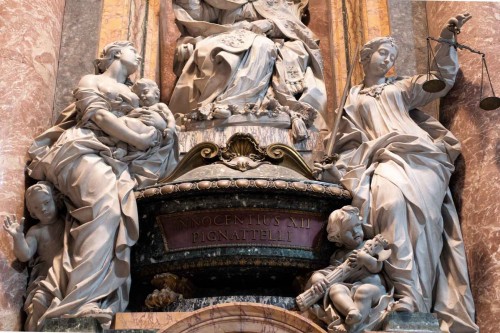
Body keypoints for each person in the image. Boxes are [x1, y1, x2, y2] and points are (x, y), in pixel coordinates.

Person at [313, 13, 478, 333]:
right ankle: (406, 296)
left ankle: (415, 303)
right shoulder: (351, 98)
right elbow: (345, 144)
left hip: (420, 159)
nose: (388, 59)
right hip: (381, 160)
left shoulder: (401, 88)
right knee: (388, 205)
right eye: (382, 53)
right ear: (365, 59)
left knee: (423, 227)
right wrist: (337, 168)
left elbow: (440, 78)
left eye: (392, 55)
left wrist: (446, 40)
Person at [26, 41, 177, 329]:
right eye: (134, 49)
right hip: (80, 151)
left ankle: (91, 298)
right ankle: (78, 302)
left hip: (114, 159)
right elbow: (99, 116)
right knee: (106, 210)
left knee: (115, 215)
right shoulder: (92, 81)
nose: (140, 54)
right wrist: (139, 139)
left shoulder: (135, 94)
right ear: (116, 53)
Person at [169, 0, 327, 137]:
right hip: (224, 36)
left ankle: (235, 107)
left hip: (267, 39)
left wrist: (271, 25)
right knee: (216, 52)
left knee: (262, 46)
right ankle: (220, 108)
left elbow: (296, 27)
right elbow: (200, 18)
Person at [305, 206, 391, 333]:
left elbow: (378, 267)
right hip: (349, 289)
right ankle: (352, 311)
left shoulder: (369, 245)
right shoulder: (339, 256)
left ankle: (352, 327)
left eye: (357, 226)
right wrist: (317, 279)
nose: (356, 232)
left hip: (373, 289)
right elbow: (330, 272)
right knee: (335, 289)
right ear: (337, 238)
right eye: (348, 231)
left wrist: (365, 258)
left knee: (364, 291)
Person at [3, 182, 64, 331]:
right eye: (36, 207)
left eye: (46, 202)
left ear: (56, 199)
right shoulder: (36, 231)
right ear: (32, 212)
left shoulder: (68, 222)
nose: (42, 209)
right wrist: (18, 237)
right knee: (38, 303)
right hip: (45, 279)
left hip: (66, 276)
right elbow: (25, 255)